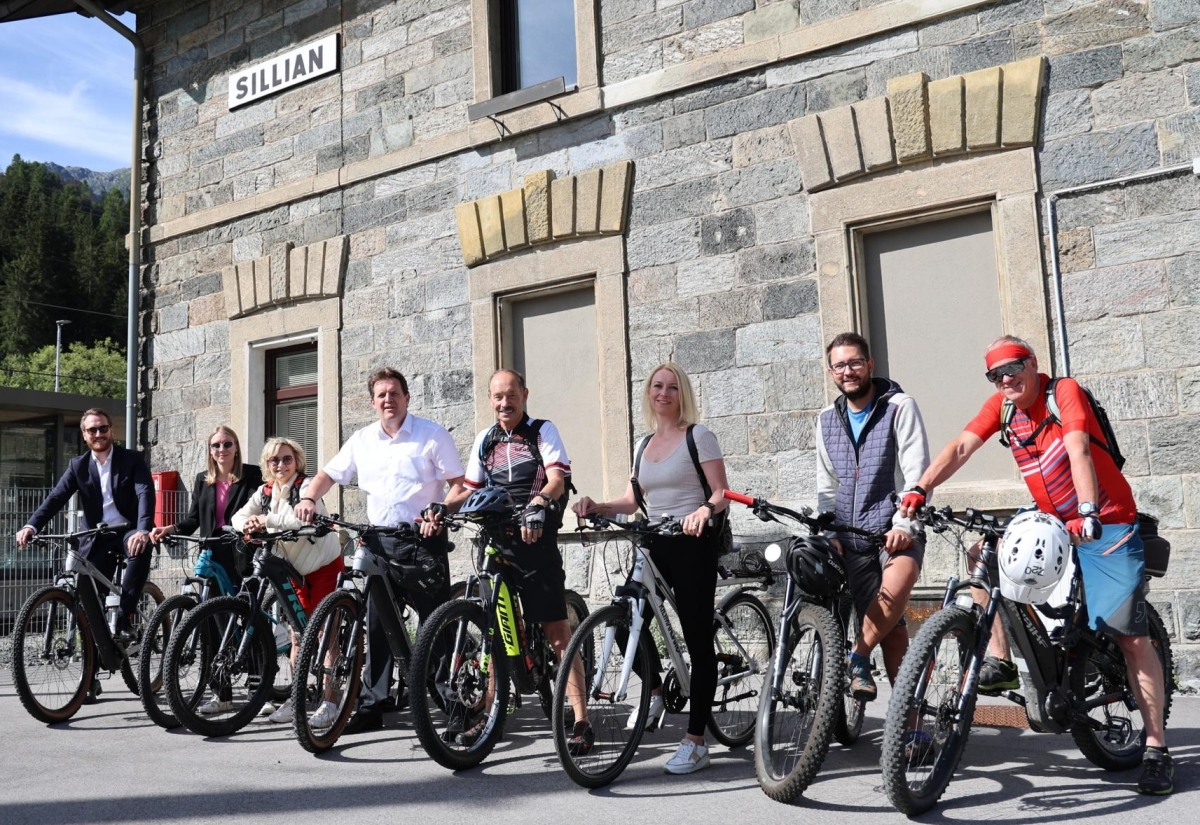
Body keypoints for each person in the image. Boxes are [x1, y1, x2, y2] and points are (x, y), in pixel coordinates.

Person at [898, 335, 1173, 795]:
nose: (1006, 379)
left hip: (1103, 520)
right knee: (982, 555)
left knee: (1130, 637)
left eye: (1013, 368)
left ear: (1032, 364)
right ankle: (1002, 660)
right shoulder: (1003, 407)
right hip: (1052, 518)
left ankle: (1156, 748)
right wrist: (920, 488)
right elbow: (961, 447)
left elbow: (1079, 448)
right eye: (996, 374)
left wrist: (1087, 511)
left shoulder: (1062, 393)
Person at [573, 362, 730, 775]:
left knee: (697, 639)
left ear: (683, 394)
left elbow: (721, 492)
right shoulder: (645, 445)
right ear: (648, 392)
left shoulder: (699, 436)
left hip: (693, 544)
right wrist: (599, 506)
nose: (663, 393)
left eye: (672, 387)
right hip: (654, 542)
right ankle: (655, 690)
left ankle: (696, 742)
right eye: (657, 386)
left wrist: (702, 511)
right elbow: (632, 499)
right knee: (622, 622)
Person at [294, 367, 466, 734]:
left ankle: (453, 702)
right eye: (381, 394)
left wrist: (440, 512)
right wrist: (309, 495)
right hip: (377, 543)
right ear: (373, 402)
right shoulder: (361, 439)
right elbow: (328, 474)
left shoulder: (431, 435)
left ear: (406, 397)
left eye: (394, 393)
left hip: (422, 541)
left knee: (433, 623)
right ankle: (373, 705)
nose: (388, 399)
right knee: (375, 626)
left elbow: (460, 486)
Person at [440, 369, 588, 749]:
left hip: (534, 539)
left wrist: (539, 502)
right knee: (493, 633)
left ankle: (581, 720)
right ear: (490, 399)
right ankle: (490, 717)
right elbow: (468, 489)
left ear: (524, 394)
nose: (504, 403)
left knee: (557, 633)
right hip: (496, 540)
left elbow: (556, 478)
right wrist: (439, 508)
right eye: (497, 397)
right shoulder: (484, 440)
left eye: (511, 395)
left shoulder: (542, 431)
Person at [815, 332, 929, 703]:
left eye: (855, 362)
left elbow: (916, 474)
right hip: (852, 537)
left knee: (898, 584)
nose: (848, 371)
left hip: (894, 527)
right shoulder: (826, 420)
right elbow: (826, 485)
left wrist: (904, 525)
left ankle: (858, 656)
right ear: (831, 372)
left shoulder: (900, 406)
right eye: (840, 365)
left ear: (870, 365)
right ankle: (908, 728)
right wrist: (828, 528)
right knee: (894, 634)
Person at [15, 408, 155, 702]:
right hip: (96, 536)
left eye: (103, 428)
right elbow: (56, 497)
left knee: (141, 548)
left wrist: (143, 529)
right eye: (92, 430)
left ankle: (126, 616)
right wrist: (31, 525)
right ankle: (90, 676)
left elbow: (145, 494)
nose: (99, 434)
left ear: (111, 431)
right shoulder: (78, 465)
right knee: (88, 604)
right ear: (84, 435)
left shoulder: (131, 459)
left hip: (127, 528)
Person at [231, 437, 343, 725]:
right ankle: (298, 699)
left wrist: (266, 521)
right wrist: (247, 523)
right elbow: (238, 515)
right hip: (295, 570)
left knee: (325, 634)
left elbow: (303, 520)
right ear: (267, 465)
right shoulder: (265, 491)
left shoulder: (305, 487)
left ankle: (331, 703)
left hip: (323, 566)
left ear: (297, 461)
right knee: (297, 635)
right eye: (274, 460)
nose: (281, 465)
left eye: (287, 459)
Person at [150, 426, 264, 585]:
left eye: (227, 444)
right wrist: (171, 528)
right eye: (216, 445)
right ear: (210, 450)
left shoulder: (252, 474)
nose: (221, 449)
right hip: (211, 548)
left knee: (243, 602)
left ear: (236, 447)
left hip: (241, 548)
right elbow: (194, 519)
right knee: (210, 604)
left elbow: (257, 508)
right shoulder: (202, 479)